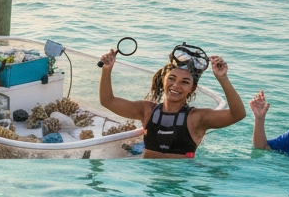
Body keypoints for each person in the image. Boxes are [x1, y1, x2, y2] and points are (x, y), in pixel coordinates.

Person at [98, 42, 246, 158]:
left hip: (181, 181)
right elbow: (107, 101)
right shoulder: (147, 110)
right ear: (163, 79)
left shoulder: (197, 118)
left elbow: (238, 114)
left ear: (192, 88)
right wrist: (106, 70)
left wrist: (222, 78)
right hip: (149, 179)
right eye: (172, 78)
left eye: (184, 82)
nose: (176, 85)